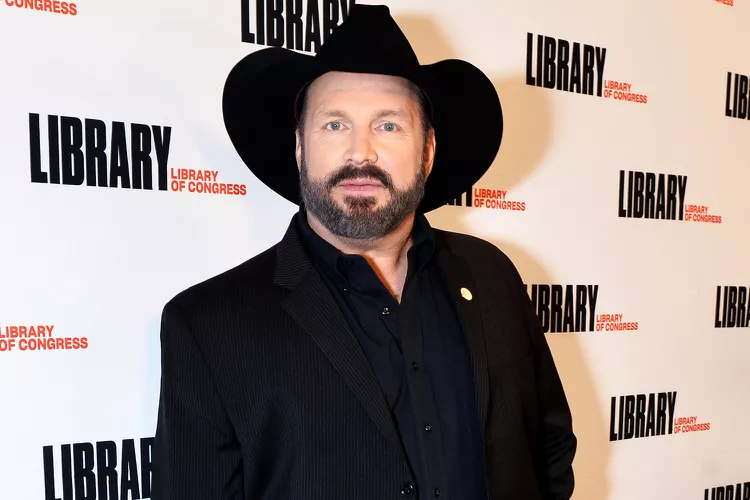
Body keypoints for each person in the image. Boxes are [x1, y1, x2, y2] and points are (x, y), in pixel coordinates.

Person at [153, 4, 576, 499]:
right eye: (335, 125)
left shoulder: (491, 276)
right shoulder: (209, 323)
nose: (361, 152)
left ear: (428, 151)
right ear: (299, 148)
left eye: (388, 126)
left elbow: (548, 451)